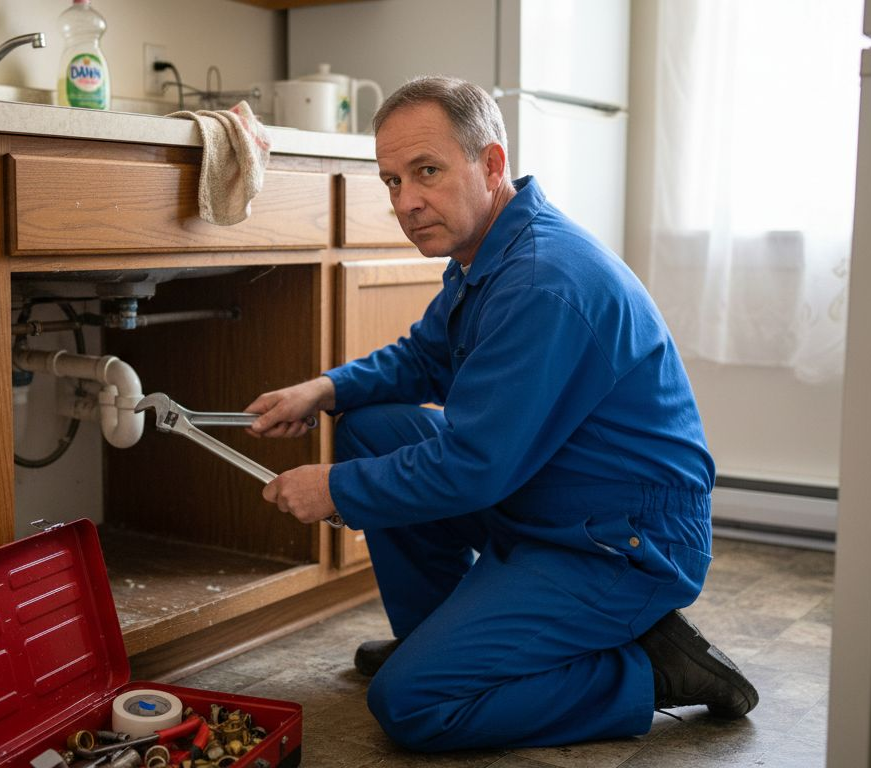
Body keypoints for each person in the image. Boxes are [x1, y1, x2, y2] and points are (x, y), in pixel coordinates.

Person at [242, 76, 758, 752]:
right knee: (370, 425)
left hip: (622, 542)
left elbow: (473, 467)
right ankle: (444, 643)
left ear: (490, 164)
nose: (406, 201)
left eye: (426, 171)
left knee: (414, 704)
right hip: (553, 493)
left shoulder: (543, 279)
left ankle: (649, 671)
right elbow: (423, 357)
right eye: (392, 181)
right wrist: (326, 388)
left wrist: (333, 489)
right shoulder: (489, 251)